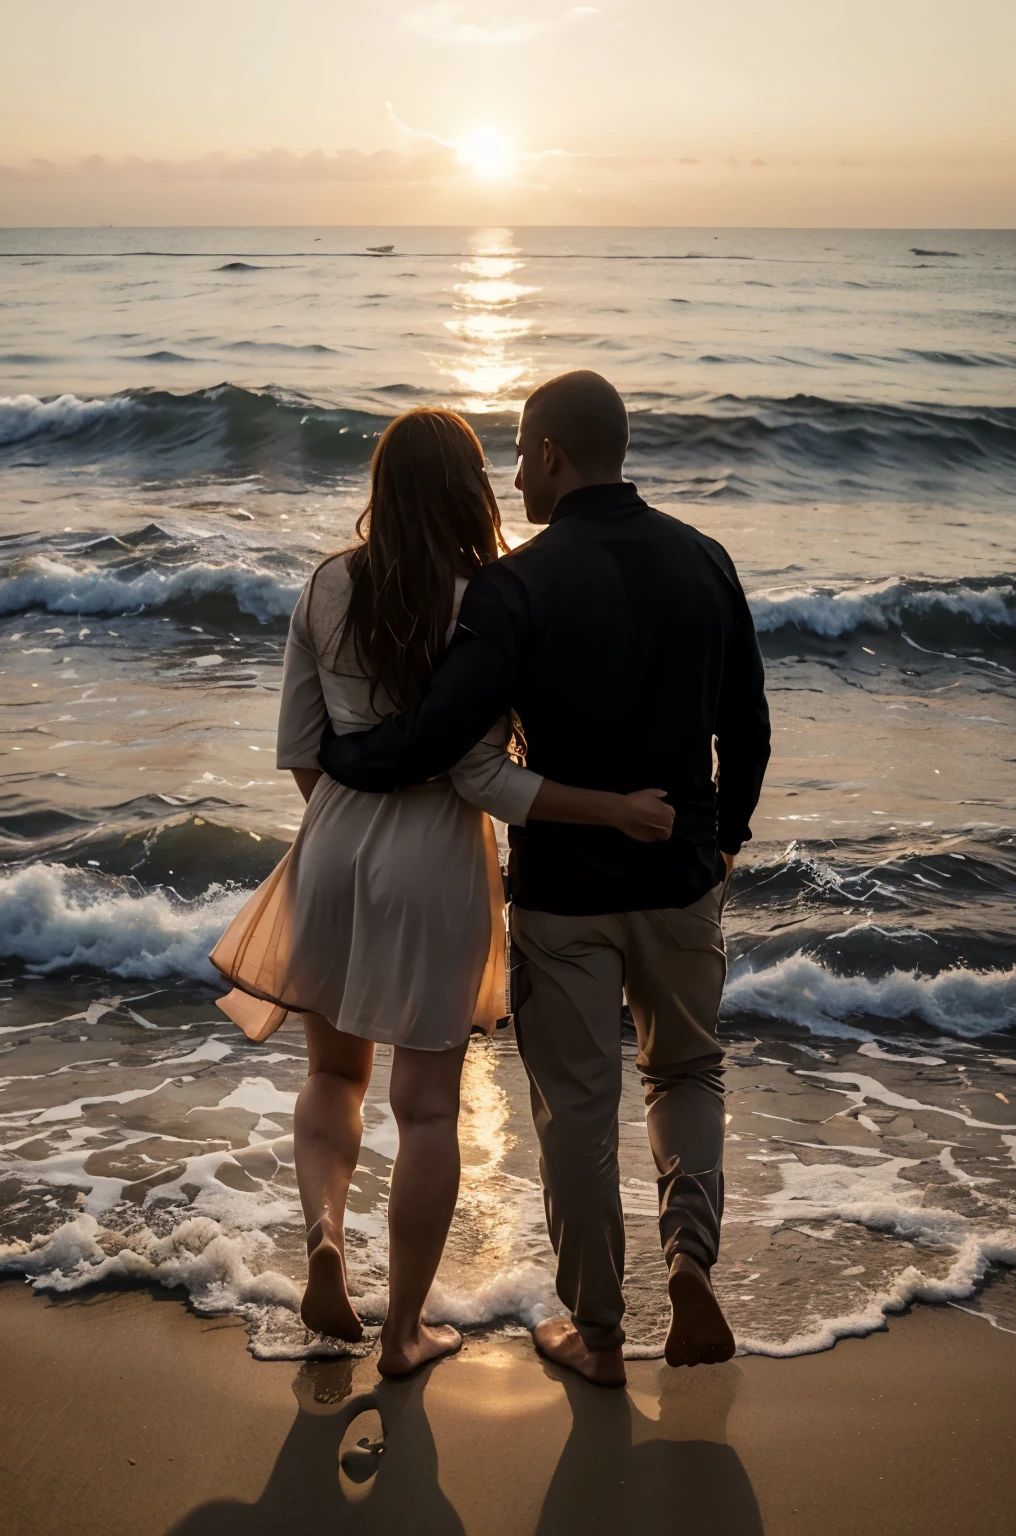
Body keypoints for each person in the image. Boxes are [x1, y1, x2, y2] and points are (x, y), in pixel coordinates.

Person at [318, 372, 772, 1387]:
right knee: (687, 1072)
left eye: (522, 452)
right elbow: (746, 725)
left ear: (554, 454)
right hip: (681, 877)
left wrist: (349, 761)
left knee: (575, 1108)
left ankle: (599, 1334)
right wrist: (725, 836)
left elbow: (441, 733)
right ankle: (690, 1259)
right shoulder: (705, 562)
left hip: (565, 894)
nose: (514, 472)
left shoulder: (522, 586)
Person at [210, 407, 678, 1378]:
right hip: (436, 865)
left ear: (381, 488)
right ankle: (401, 1333)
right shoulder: (490, 598)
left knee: (332, 1077)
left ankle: (325, 1239)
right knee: (425, 1110)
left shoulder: (326, 584)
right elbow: (486, 779)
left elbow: (300, 751)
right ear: (468, 488)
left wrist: (346, 827)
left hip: (331, 842)